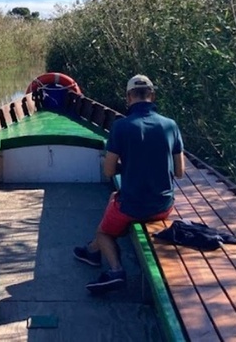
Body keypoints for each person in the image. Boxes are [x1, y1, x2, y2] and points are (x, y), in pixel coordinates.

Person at [74, 74, 185, 293]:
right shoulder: (170, 125)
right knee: (114, 200)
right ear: (152, 96)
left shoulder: (121, 127)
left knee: (103, 232)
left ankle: (115, 270)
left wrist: (129, 165)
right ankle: (92, 252)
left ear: (128, 97)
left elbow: (108, 171)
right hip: (163, 206)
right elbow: (180, 172)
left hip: (133, 206)